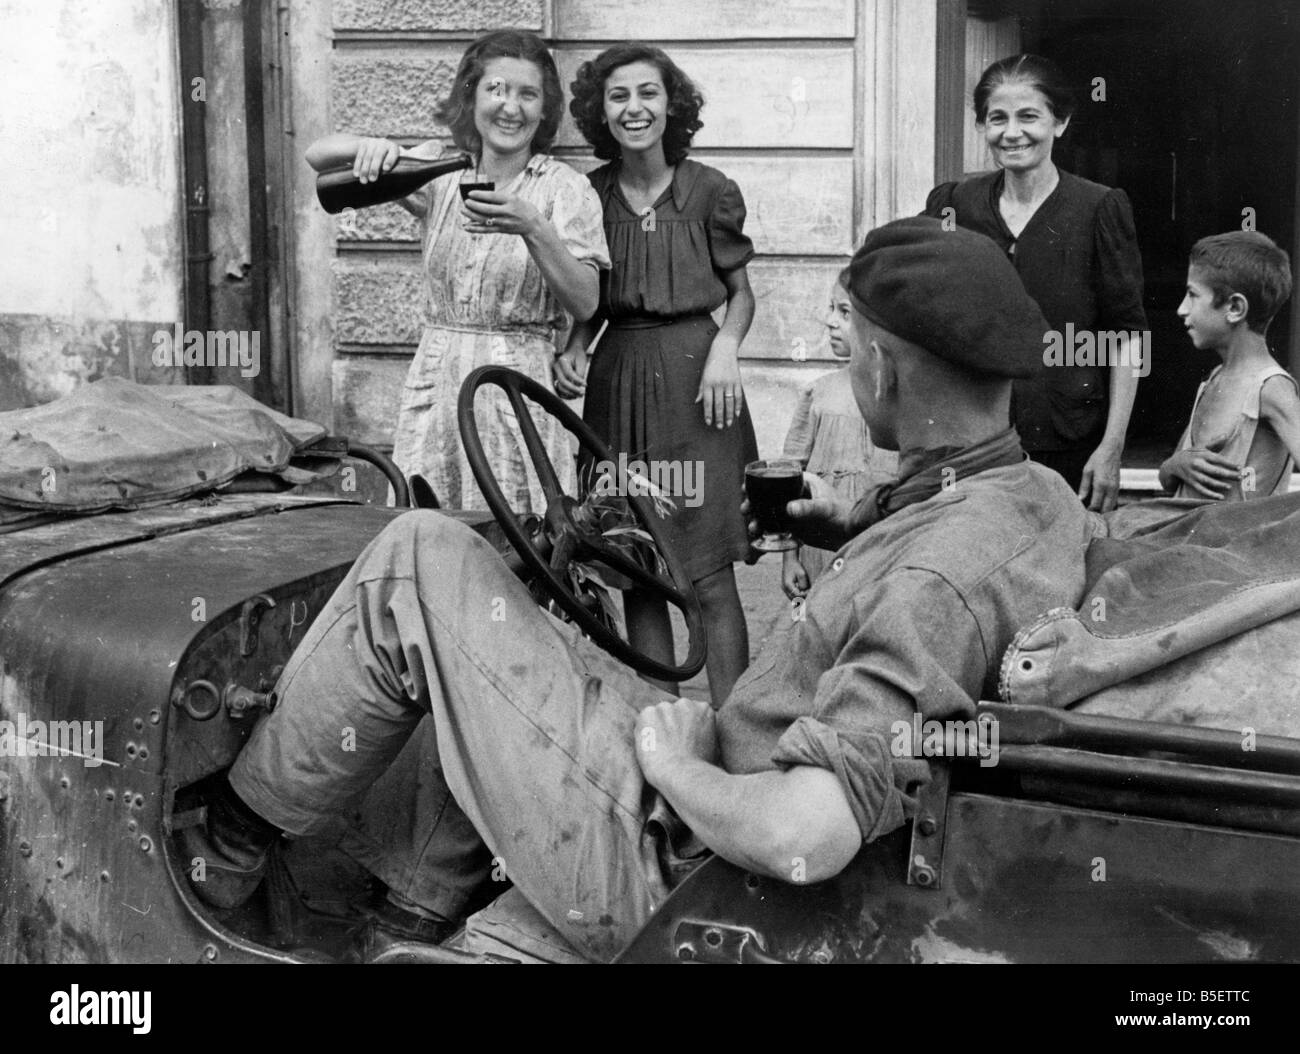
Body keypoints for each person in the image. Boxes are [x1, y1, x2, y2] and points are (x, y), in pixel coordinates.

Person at [180, 218, 1090, 963]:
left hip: (680, 863)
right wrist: (853, 527)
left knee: (417, 556)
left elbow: (803, 836)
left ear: (885, 370)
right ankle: (416, 910)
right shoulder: (1032, 495)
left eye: (851, 342)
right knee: (529, 619)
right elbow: (945, 569)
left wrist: (670, 766)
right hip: (710, 791)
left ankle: (222, 847)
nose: (845, 360)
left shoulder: (934, 579)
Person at [305, 29, 609, 513]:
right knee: (429, 527)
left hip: (517, 385)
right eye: (497, 89)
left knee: (520, 534)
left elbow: (586, 301)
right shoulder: (441, 172)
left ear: (544, 108)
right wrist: (373, 147)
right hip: (437, 379)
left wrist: (533, 226)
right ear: (472, 98)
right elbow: (317, 155)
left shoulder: (565, 190)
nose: (511, 107)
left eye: (528, 94)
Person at [553, 44, 758, 704]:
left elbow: (741, 294)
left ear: (671, 104)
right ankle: (660, 729)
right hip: (617, 384)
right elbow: (590, 295)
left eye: (648, 93)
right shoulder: (588, 194)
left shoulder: (710, 191)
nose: (634, 108)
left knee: (709, 575)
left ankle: (736, 735)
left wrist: (727, 348)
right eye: (618, 96)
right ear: (600, 110)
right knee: (634, 560)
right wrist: (575, 345)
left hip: (700, 384)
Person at [923, 54, 1148, 511]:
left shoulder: (1098, 208)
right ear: (982, 125)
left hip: (1067, 439)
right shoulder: (954, 205)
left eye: (1029, 116)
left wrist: (1112, 447)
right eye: (996, 118)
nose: (1011, 132)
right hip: (973, 442)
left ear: (1060, 123)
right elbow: (924, 318)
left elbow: (1126, 337)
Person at [1159, 231, 1300, 501]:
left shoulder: (1271, 388)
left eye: (1192, 295)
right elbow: (1168, 478)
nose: (1181, 309)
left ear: (1234, 307)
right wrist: (1175, 465)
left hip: (1231, 543)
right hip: (1183, 535)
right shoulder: (1215, 379)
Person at [781, 277, 899, 598]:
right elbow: (789, 479)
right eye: (831, 309)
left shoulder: (897, 402)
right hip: (820, 550)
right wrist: (790, 558)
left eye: (845, 312)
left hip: (879, 549)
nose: (830, 321)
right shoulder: (818, 393)